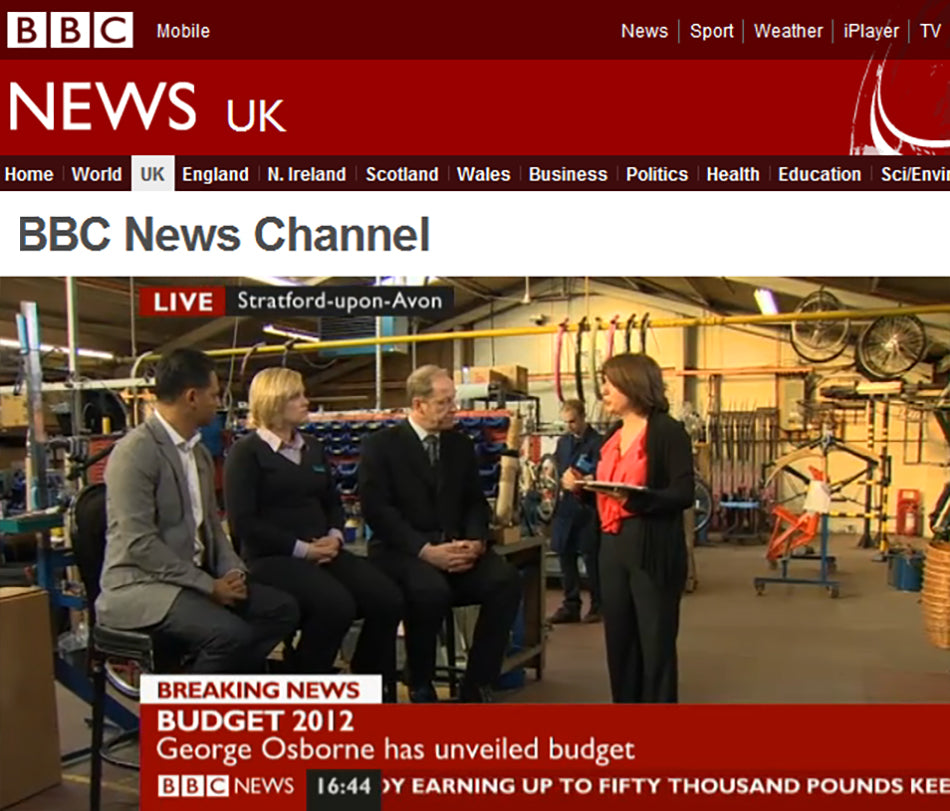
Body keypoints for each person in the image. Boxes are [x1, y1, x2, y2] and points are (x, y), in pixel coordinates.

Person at [97, 349, 299, 674]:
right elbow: (140, 544)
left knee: (281, 609)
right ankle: (187, 716)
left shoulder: (199, 454)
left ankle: (222, 693)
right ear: (192, 397)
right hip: (141, 586)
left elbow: (213, 529)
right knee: (229, 636)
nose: (218, 402)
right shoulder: (135, 453)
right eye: (214, 395)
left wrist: (233, 572)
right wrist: (208, 587)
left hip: (193, 579)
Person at [223, 368, 403, 698]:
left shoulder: (314, 447)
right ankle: (304, 690)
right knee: (335, 606)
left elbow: (333, 501)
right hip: (272, 558)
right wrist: (303, 550)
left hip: (323, 550)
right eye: (297, 396)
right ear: (274, 402)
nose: (307, 402)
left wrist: (334, 535)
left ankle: (364, 682)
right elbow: (243, 522)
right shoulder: (245, 454)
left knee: (387, 598)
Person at [358, 365, 521, 703]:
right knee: (429, 590)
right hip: (402, 551)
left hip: (457, 548)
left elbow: (475, 502)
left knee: (505, 580)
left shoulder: (459, 445)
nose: (454, 410)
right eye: (445, 403)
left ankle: (477, 681)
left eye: (453, 401)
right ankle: (420, 679)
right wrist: (425, 550)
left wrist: (476, 541)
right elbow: (378, 511)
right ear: (419, 405)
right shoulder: (380, 446)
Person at [564, 353, 693, 703]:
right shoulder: (612, 435)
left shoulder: (667, 432)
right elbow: (606, 495)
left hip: (651, 547)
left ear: (633, 384)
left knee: (655, 642)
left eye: (610, 382)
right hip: (612, 547)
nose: (603, 390)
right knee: (619, 640)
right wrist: (582, 488)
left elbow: (683, 493)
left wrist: (636, 500)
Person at [549, 399, 603, 624]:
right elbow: (557, 467)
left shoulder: (598, 442)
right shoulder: (563, 443)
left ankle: (599, 605)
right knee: (565, 555)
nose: (569, 426)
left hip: (588, 508)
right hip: (565, 507)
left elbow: (604, 473)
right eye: (566, 423)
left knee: (591, 558)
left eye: (572, 421)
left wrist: (585, 481)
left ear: (582, 417)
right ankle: (571, 605)